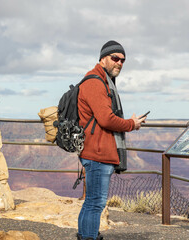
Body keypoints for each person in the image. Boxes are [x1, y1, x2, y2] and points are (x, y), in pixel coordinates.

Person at [76, 40, 146, 240]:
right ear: (103, 58)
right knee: (96, 202)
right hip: (98, 152)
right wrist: (132, 124)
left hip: (96, 150)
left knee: (91, 201)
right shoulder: (95, 82)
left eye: (123, 60)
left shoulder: (101, 80)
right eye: (115, 58)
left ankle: (85, 235)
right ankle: (88, 237)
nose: (120, 63)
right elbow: (106, 119)